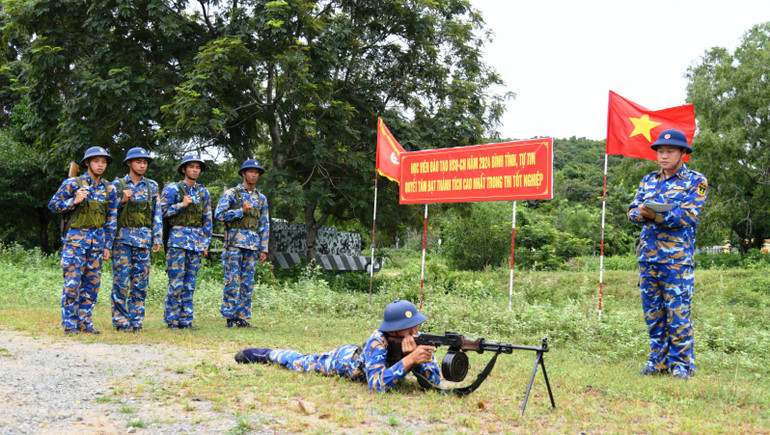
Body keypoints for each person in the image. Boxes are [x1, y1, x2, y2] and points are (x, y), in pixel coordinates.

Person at [627, 129, 708, 380]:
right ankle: (657, 363)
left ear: (683, 153)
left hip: (676, 261)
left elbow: (687, 216)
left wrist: (656, 216)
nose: (663, 156)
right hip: (648, 258)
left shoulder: (696, 181)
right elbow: (631, 211)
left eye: (669, 151)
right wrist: (641, 213)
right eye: (660, 151)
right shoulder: (648, 180)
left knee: (678, 314)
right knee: (653, 315)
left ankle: (682, 366)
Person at [234, 300, 441, 391]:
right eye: (408, 327)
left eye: (416, 326)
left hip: (356, 356)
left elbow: (433, 382)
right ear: (394, 330)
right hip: (342, 362)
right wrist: (408, 361)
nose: (415, 331)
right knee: (301, 362)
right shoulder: (378, 341)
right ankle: (267, 354)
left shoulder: (416, 339)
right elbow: (376, 385)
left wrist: (419, 360)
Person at [48, 147, 118, 334]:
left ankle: (85, 323)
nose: (100, 165)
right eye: (96, 161)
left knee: (92, 286)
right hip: (75, 244)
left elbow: (111, 218)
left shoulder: (109, 188)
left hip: (97, 244)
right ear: (87, 163)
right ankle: (70, 324)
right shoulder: (73, 183)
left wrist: (107, 245)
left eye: (103, 162)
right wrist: (74, 201)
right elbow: (53, 205)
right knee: (72, 284)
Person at [111, 147, 163, 332]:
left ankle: (136, 321)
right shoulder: (117, 185)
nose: (142, 165)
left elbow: (157, 213)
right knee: (121, 281)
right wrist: (122, 201)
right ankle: (120, 320)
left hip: (143, 240)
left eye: (145, 162)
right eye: (138, 162)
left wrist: (157, 237)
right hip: (122, 240)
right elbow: (109, 212)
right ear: (129, 163)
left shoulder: (152, 186)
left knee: (141, 282)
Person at [214, 159, 270, 328]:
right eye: (250, 171)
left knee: (248, 282)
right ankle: (229, 317)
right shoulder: (232, 193)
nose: (254, 175)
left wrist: (264, 248)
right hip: (234, 243)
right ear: (243, 173)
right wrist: (240, 211)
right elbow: (219, 214)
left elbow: (264, 224)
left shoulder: (261, 198)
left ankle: (242, 317)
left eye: (256, 172)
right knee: (232, 280)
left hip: (252, 246)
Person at [160, 154, 213, 330]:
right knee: (176, 283)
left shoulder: (203, 193)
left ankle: (186, 320)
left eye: (198, 167)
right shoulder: (172, 189)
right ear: (183, 169)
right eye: (191, 167)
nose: (195, 170)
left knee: (190, 284)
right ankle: (172, 320)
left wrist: (205, 244)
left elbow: (207, 219)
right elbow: (161, 212)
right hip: (177, 242)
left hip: (196, 243)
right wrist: (181, 205)